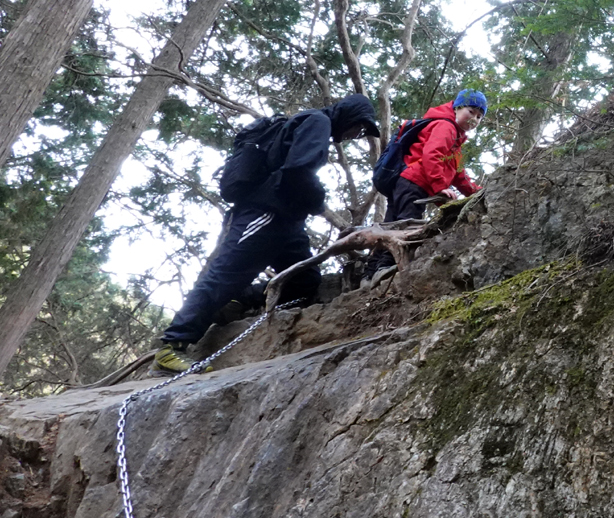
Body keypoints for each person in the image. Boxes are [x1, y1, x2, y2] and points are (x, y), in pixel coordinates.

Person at [153, 93, 380, 373]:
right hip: (266, 212)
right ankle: (172, 347)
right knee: (226, 273)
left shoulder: (312, 121)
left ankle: (238, 302)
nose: (356, 134)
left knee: (304, 281)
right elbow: (298, 169)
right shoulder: (318, 122)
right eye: (359, 127)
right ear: (349, 115)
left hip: (288, 222)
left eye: (362, 134)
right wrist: (319, 200)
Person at [364, 88, 486, 281]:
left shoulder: (455, 138)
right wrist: (439, 186)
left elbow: (458, 174)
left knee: (391, 223)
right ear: (457, 107)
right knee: (407, 225)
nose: (474, 119)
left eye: (479, 117)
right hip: (413, 182)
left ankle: (370, 273)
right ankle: (387, 267)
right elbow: (432, 155)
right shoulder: (446, 127)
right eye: (471, 112)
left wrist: (476, 191)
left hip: (406, 182)